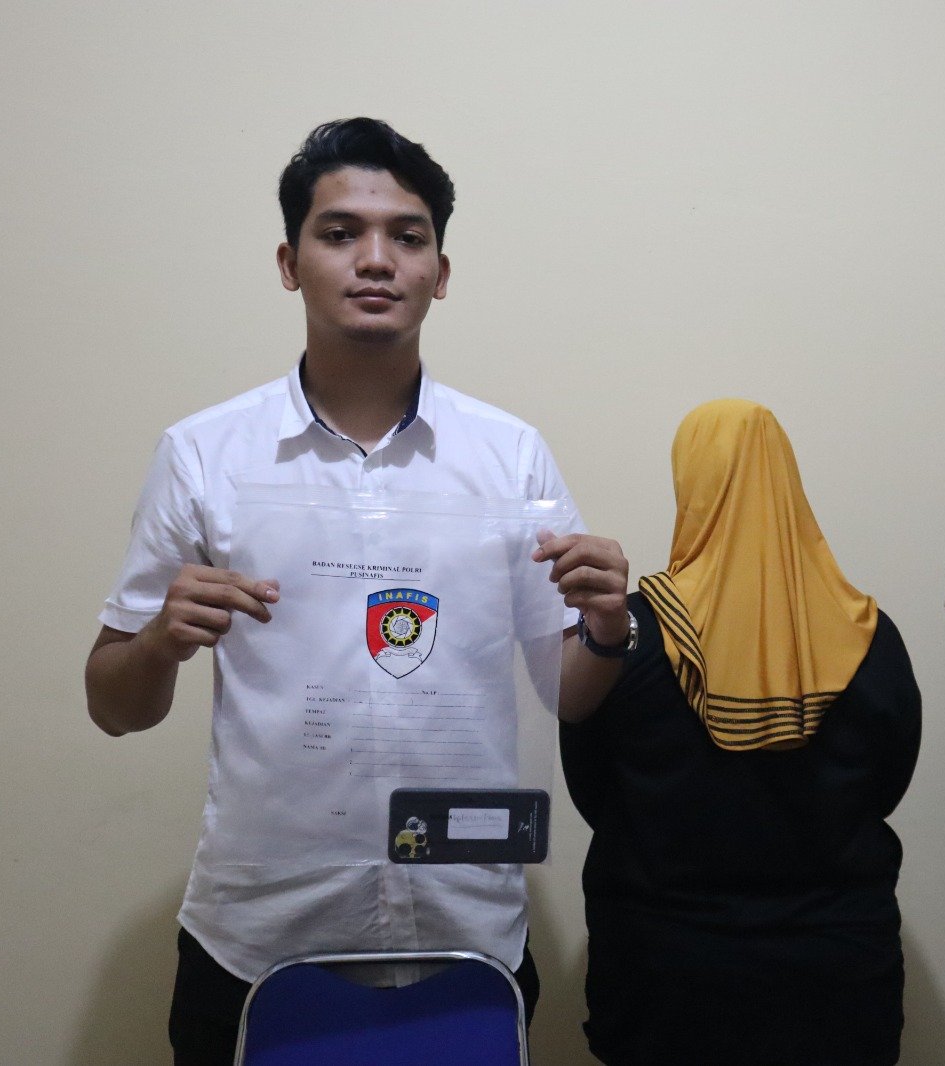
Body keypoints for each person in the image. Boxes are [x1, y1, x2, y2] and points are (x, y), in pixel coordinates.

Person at [83, 117, 630, 1065]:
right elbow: (113, 706)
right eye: (340, 233)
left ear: (440, 273)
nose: (376, 259)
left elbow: (567, 695)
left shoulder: (510, 456)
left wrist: (610, 627)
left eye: (407, 236)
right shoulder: (205, 454)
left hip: (467, 933)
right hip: (260, 937)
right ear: (289, 263)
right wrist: (161, 641)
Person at [560, 399, 922, 1066]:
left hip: (664, 978)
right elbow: (889, 783)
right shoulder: (869, 635)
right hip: (835, 980)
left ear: (689, 487)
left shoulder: (625, 639)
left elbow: (592, 790)